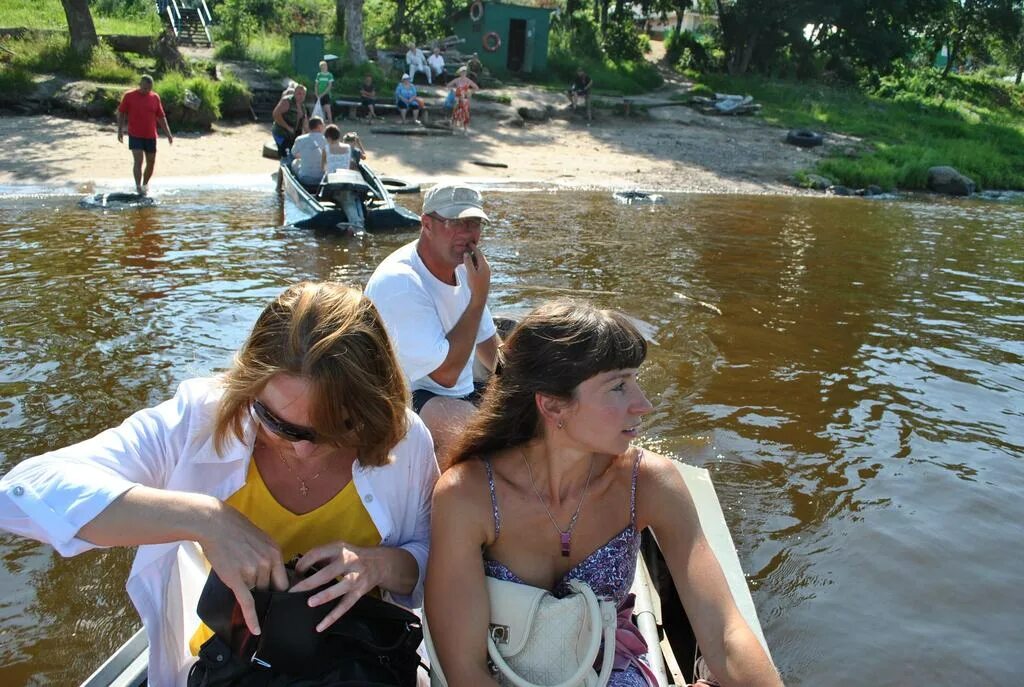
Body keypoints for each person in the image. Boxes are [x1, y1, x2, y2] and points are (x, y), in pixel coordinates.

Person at [0, 281, 439, 685]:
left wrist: (378, 565)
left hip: (355, 665)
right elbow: (23, 493)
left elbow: (429, 558)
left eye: (333, 429)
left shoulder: (405, 438)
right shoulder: (198, 419)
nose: (302, 449)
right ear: (247, 385)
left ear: (373, 406)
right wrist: (205, 519)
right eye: (275, 421)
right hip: (232, 667)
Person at [425, 300, 784, 687]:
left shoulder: (649, 483)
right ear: (552, 405)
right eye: (618, 387)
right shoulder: (467, 496)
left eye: (635, 381)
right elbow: (465, 669)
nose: (643, 404)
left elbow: (726, 632)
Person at [364, 184, 498, 467]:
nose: (467, 233)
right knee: (472, 438)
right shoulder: (400, 281)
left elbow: (490, 347)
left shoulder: (465, 268)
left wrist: (526, 383)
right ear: (426, 224)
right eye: (455, 223)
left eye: (474, 223)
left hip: (457, 390)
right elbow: (444, 375)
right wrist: (478, 297)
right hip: (404, 394)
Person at [116, 74, 174, 196]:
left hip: (150, 135)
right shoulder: (129, 96)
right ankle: (138, 187)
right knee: (138, 161)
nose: (146, 90)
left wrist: (168, 133)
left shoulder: (155, 97)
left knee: (151, 162)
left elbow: (161, 117)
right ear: (140, 85)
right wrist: (120, 130)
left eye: (148, 88)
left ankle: (145, 185)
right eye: (144, 88)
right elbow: (121, 112)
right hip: (135, 134)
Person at [272, 82, 309, 159]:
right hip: (281, 134)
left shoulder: (302, 107)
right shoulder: (287, 101)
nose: (301, 96)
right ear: (294, 93)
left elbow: (305, 123)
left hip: (293, 135)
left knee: (294, 155)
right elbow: (276, 114)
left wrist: (312, 135)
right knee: (285, 155)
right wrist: (287, 127)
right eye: (299, 93)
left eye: (303, 94)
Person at [290, 115, 327, 186]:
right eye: (323, 125)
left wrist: (306, 155)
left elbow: (294, 154)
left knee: (294, 162)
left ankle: (297, 184)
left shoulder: (300, 139)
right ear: (319, 126)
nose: (324, 127)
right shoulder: (327, 140)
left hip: (305, 178)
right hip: (322, 178)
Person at [447, 65, 478, 134]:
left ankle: (465, 130)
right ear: (460, 73)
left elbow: (476, 87)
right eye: (462, 72)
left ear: (466, 73)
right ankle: (454, 129)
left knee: (465, 114)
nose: (463, 74)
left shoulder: (468, 81)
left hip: (464, 99)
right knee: (455, 113)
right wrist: (453, 91)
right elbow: (448, 85)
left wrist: (470, 92)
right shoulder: (457, 80)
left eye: (465, 72)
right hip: (457, 99)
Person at [314, 60, 334, 124]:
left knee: (328, 111)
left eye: (325, 66)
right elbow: (316, 85)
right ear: (321, 67)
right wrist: (316, 94)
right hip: (318, 95)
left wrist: (322, 94)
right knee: (320, 112)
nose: (325, 67)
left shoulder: (330, 75)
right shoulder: (319, 75)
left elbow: (329, 86)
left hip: (326, 95)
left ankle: (331, 125)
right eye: (323, 66)